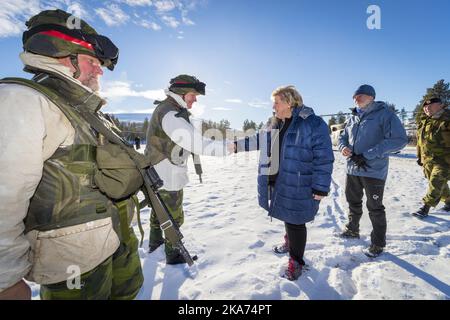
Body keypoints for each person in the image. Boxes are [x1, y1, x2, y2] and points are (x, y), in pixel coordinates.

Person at [0, 9, 144, 300]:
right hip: (72, 266)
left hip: (112, 243)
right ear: (66, 56)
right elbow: (5, 195)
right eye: (94, 61)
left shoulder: (85, 109)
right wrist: (5, 278)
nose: (100, 70)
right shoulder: (24, 100)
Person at [235, 85, 334, 281]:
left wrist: (321, 187)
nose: (273, 106)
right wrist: (234, 146)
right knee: (288, 215)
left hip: (299, 182)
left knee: (296, 221)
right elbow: (257, 140)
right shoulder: (274, 123)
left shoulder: (312, 124)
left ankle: (296, 261)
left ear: (289, 102)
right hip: (277, 180)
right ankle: (290, 243)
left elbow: (324, 157)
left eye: (277, 102)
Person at [145, 74, 233, 264]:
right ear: (181, 93)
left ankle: (155, 242)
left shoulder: (168, 108)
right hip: (166, 174)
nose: (195, 99)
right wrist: (228, 147)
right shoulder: (170, 113)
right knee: (173, 215)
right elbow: (196, 143)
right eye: (193, 95)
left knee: (158, 209)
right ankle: (173, 253)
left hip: (159, 172)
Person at [338, 84, 408, 257]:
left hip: (373, 171)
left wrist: (368, 154)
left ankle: (378, 243)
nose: (356, 98)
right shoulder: (352, 116)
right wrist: (343, 147)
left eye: (361, 95)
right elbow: (342, 136)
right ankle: (352, 229)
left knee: (375, 207)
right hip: (353, 169)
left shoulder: (385, 115)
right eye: (355, 96)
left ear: (372, 97)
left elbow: (399, 140)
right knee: (353, 202)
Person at [413, 97, 450, 218]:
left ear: (440, 105)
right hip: (428, 160)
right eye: (425, 107)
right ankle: (449, 202)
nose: (427, 109)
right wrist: (419, 157)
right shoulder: (424, 122)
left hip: (445, 160)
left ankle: (425, 207)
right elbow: (420, 142)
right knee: (440, 184)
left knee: (436, 181)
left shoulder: (447, 119)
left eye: (430, 106)